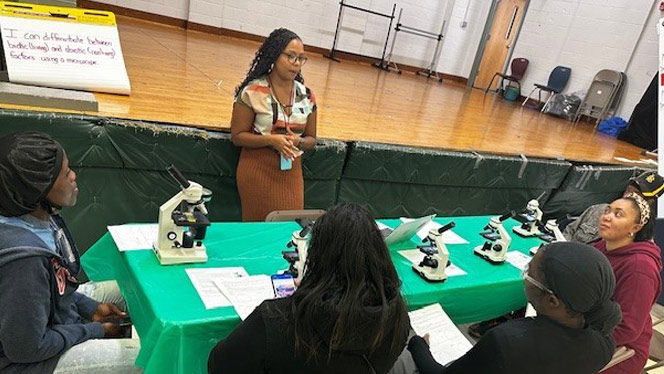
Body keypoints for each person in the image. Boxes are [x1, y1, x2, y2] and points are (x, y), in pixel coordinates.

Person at [208, 203, 410, 373]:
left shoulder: (274, 320)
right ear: (380, 254)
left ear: (317, 256)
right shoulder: (397, 314)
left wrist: (305, 295)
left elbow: (219, 365)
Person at [0, 132, 141, 374]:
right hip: (26, 363)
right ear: (37, 190)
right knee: (147, 357)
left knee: (135, 287)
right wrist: (96, 331)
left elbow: (55, 286)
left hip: (54, 318)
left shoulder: (37, 216)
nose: (74, 176)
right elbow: (26, 348)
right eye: (65, 173)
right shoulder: (24, 261)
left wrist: (90, 307)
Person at [406, 242, 621, 374]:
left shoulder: (508, 342)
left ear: (553, 301)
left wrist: (417, 344)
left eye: (529, 272)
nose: (525, 274)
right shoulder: (604, 343)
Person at [231, 28, 317, 221]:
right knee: (258, 235)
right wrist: (272, 140)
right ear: (274, 56)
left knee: (288, 232)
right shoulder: (252, 91)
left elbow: (311, 139)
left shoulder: (307, 95)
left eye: (301, 58)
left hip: (291, 173)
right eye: (290, 56)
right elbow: (237, 136)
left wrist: (299, 142)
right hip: (257, 171)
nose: (296, 63)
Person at [593, 192, 663, 374]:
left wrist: (578, 338)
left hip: (622, 349)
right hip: (592, 324)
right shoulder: (604, 245)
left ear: (636, 227)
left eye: (618, 214)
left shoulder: (639, 268)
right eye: (607, 210)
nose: (606, 217)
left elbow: (627, 329)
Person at [564, 171, 664, 244]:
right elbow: (568, 232)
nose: (628, 195)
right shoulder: (598, 210)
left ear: (649, 202)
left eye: (636, 194)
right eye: (628, 190)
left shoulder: (642, 237)